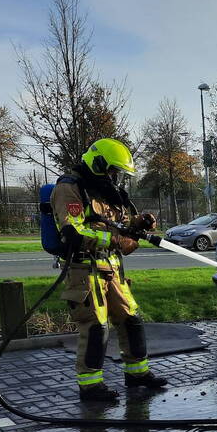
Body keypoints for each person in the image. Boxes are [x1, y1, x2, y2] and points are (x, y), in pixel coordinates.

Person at [51, 138, 167, 402]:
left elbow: (120, 223)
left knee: (131, 320)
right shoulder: (70, 189)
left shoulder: (107, 192)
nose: (116, 177)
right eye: (113, 171)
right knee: (95, 327)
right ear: (99, 164)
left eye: (119, 173)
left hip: (112, 267)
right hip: (85, 269)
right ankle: (90, 387)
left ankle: (137, 374)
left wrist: (140, 222)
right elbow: (73, 231)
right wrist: (114, 240)